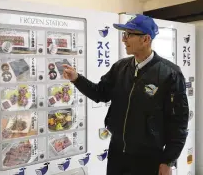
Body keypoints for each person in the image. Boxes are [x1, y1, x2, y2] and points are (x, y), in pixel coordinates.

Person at [62, 14, 189, 175]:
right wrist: (77, 79)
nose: (124, 39)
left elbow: (179, 122)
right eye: (124, 34)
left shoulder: (170, 74)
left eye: (129, 35)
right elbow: (100, 93)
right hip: (117, 151)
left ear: (146, 39)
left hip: (148, 157)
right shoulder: (120, 67)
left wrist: (168, 160)